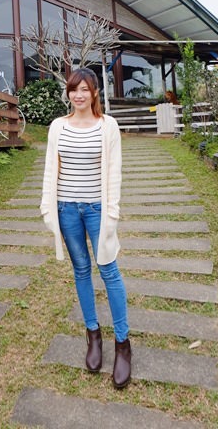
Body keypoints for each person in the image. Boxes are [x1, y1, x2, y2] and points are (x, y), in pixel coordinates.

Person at [41, 67, 131, 388]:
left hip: (97, 210)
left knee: (109, 270)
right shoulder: (57, 127)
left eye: (85, 89)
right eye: (73, 89)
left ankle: (123, 344)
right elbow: (51, 169)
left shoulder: (108, 127)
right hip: (67, 210)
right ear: (68, 93)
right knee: (81, 270)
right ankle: (93, 335)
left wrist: (112, 215)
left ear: (94, 93)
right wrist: (47, 208)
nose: (78, 95)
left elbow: (115, 174)